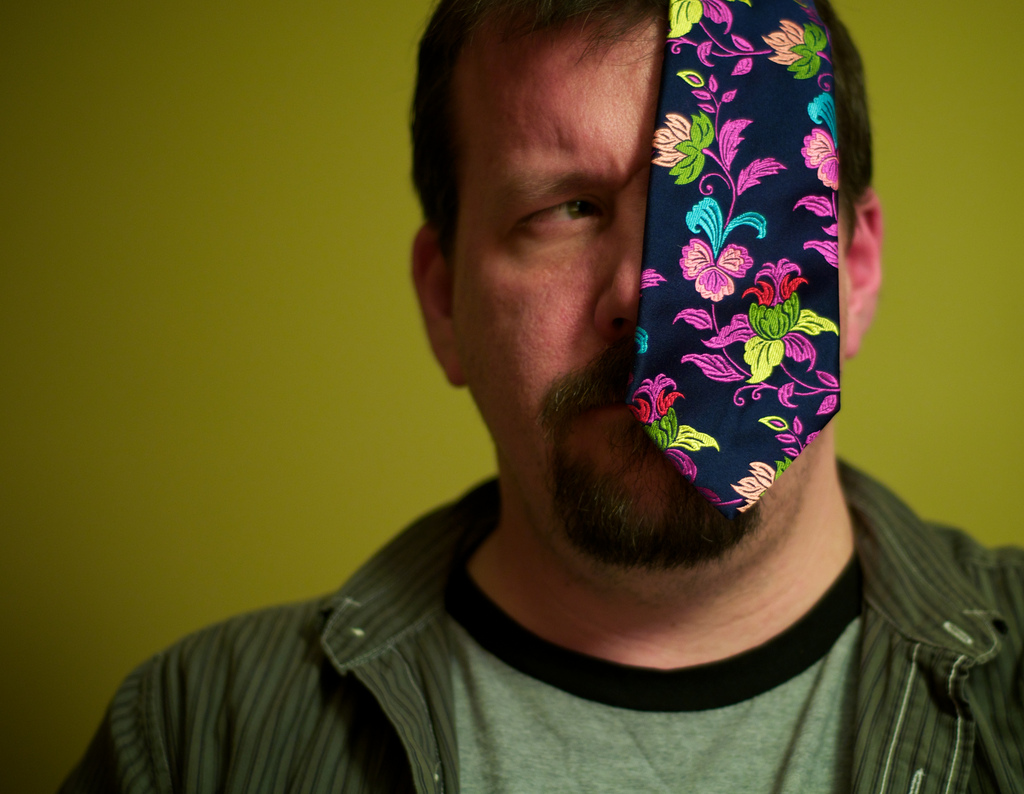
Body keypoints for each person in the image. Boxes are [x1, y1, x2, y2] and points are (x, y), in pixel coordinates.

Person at [61, 0, 1024, 791]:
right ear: (443, 301)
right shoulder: (195, 739)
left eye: (729, 199)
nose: (640, 296)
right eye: (567, 209)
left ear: (855, 270)